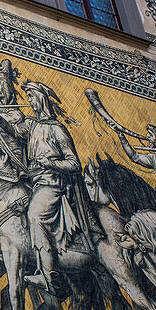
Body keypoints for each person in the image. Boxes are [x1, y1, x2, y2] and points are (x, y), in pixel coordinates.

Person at [19, 80, 100, 298]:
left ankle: (49, 275)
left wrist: (51, 163)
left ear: (41, 98)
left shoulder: (56, 129)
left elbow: (74, 163)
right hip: (34, 182)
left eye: (31, 96)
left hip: (52, 184)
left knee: (35, 215)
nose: (28, 100)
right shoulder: (33, 126)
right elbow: (12, 125)